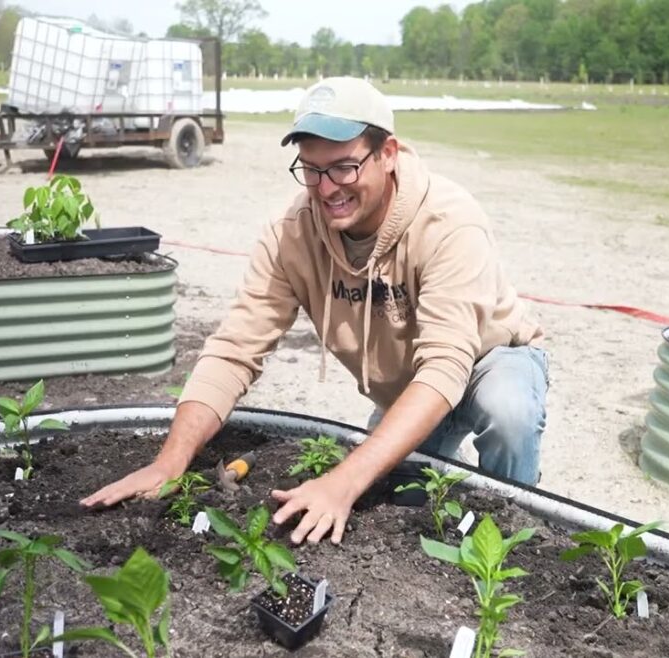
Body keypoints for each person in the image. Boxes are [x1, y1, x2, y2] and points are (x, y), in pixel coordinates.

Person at [81, 76, 548, 545]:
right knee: (403, 506)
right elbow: (233, 351)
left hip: (488, 360)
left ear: (387, 154)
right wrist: (170, 461)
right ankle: (442, 469)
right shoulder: (293, 235)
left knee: (507, 413)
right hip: (409, 389)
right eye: (311, 169)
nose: (326, 189)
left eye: (344, 167)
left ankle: (515, 536)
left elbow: (447, 365)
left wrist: (342, 481)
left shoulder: (447, 221)